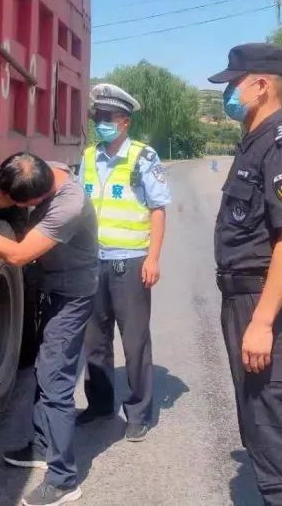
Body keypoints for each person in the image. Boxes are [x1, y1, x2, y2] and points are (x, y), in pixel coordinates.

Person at [206, 43, 282, 505]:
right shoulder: (255, 143)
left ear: (260, 85)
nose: (227, 93)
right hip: (247, 302)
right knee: (262, 433)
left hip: (267, 308)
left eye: (233, 84)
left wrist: (261, 321)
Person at [0, 152, 97, 506]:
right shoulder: (44, 174)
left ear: (39, 199)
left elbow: (16, 255)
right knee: (46, 371)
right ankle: (43, 446)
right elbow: (3, 196)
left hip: (72, 294)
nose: (13, 205)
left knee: (54, 379)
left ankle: (63, 480)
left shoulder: (69, 205)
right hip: (53, 285)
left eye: (21, 203)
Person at [76, 83, 171, 442]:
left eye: (106, 118)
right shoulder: (87, 158)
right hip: (91, 263)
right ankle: (100, 404)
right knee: (94, 340)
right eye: (97, 117)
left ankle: (138, 413)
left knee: (134, 342)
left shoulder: (142, 158)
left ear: (124, 122)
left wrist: (154, 258)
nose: (100, 123)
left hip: (130, 264)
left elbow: (158, 210)